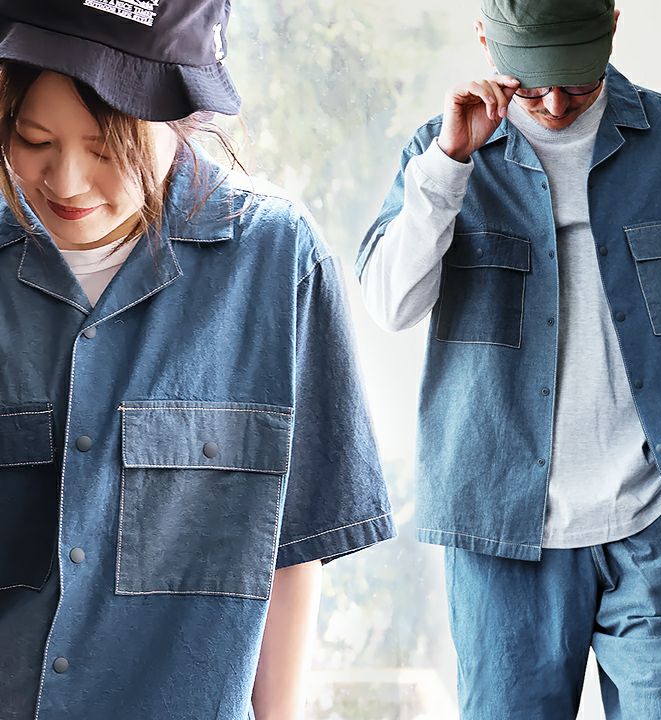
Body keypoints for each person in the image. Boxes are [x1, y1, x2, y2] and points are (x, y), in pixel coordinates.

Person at [0, 2, 396, 719]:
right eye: (33, 140)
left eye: (105, 150)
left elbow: (292, 548)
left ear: (182, 118)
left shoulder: (278, 260)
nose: (66, 181)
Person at [357, 0, 661, 717]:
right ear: (484, 38)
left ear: (612, 25)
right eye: (532, 84)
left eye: (577, 81)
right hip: (500, 533)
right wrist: (450, 165)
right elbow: (390, 305)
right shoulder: (440, 152)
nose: (555, 103)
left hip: (654, 523)